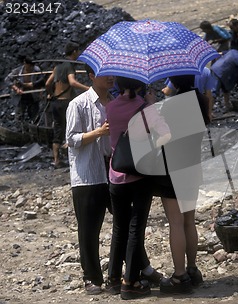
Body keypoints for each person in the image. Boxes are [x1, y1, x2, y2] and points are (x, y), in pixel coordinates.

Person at [105, 76, 171, 300]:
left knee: (119, 228)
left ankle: (113, 278)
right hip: (140, 177)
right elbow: (166, 135)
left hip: (116, 175)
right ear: (141, 86)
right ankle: (130, 282)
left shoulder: (111, 107)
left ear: (119, 86)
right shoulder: (147, 110)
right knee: (135, 229)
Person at [65, 64, 115, 295]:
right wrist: (98, 132)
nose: (112, 78)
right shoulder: (79, 104)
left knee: (127, 223)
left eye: (114, 73)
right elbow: (72, 139)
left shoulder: (115, 102)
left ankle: (132, 270)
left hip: (114, 172)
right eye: (106, 74)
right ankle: (92, 278)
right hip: (87, 175)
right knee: (88, 230)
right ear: (92, 76)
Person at [158, 74, 206, 295]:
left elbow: (165, 138)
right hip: (193, 165)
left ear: (174, 82)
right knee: (189, 220)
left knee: (175, 223)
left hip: (173, 168)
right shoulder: (201, 99)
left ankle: (179, 276)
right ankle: (192, 269)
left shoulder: (171, 105)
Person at [46, 42, 90, 168]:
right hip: (66, 102)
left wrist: (49, 94)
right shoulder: (70, 66)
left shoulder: (57, 67)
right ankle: (73, 158)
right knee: (72, 128)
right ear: (74, 52)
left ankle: (56, 160)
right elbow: (72, 82)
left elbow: (48, 83)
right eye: (78, 51)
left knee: (58, 129)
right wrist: (88, 88)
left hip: (55, 102)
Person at [4, 55, 44, 122]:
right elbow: (7, 80)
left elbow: (42, 81)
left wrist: (37, 88)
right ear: (25, 63)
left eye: (32, 65)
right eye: (29, 65)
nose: (31, 67)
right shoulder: (18, 71)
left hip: (33, 96)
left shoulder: (37, 70)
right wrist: (16, 88)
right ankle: (20, 129)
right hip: (20, 96)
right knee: (19, 115)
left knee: (35, 115)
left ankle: (33, 129)